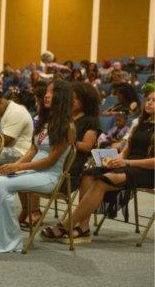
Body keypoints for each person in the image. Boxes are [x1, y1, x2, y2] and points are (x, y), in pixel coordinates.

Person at [0, 80, 75, 253]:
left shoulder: (67, 127)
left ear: (62, 97)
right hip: (33, 170)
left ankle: (6, 239)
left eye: (52, 92)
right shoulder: (46, 121)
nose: (47, 95)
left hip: (48, 176)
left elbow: (50, 161)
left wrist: (19, 168)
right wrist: (16, 164)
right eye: (47, 92)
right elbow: (33, 148)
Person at [42, 90, 154, 243]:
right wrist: (116, 160)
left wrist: (126, 162)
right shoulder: (140, 123)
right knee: (88, 174)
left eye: (154, 101)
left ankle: (67, 224)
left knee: (102, 181)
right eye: (148, 99)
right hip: (128, 165)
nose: (149, 102)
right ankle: (83, 227)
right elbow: (127, 149)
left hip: (148, 172)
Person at [0, 89, 34, 165]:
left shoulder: (16, 112)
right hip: (9, 148)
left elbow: (4, 141)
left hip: (21, 152)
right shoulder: (5, 110)